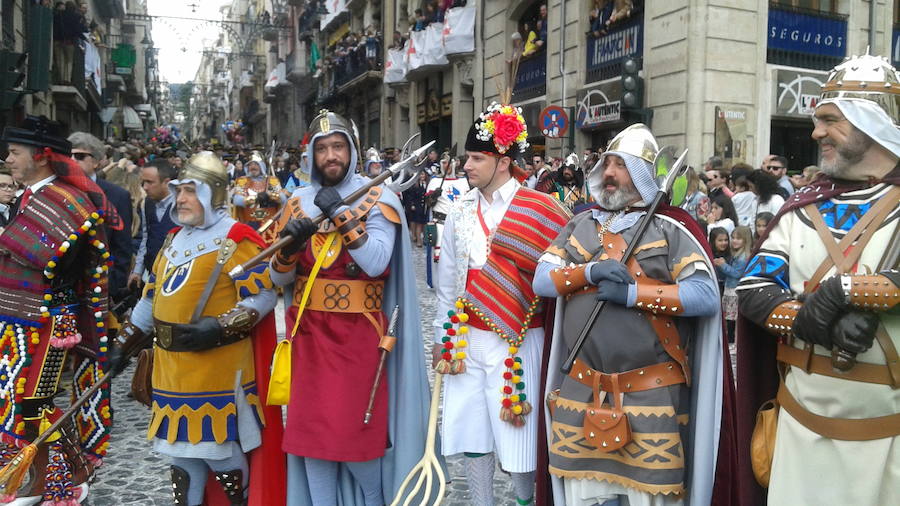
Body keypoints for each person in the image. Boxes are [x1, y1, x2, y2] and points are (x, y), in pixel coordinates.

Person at [534, 123, 734, 506]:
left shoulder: (671, 231)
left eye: (621, 166)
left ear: (643, 175)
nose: (608, 173)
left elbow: (705, 295)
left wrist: (632, 294)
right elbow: (543, 280)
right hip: (581, 388)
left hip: (652, 395)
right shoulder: (581, 225)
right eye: (606, 164)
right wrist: (588, 271)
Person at [736, 53, 900, 506]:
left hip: (891, 449)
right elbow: (753, 290)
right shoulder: (804, 208)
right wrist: (817, 320)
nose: (816, 133)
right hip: (800, 439)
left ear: (872, 122)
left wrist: (847, 290)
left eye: (831, 120)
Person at [269, 110, 432, 505]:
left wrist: (341, 214)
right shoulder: (297, 202)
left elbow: (377, 262)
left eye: (337, 146)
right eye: (322, 148)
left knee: (357, 440)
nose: (330, 155)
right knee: (312, 442)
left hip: (360, 339)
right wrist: (289, 246)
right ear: (311, 156)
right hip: (308, 336)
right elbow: (277, 280)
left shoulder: (378, 197)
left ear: (352, 151)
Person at [110, 152, 285, 506]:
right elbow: (151, 297)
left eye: (191, 190)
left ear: (212, 194)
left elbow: (265, 294)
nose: (182, 199)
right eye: (179, 190)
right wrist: (122, 345)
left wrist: (219, 328)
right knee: (180, 457)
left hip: (216, 369)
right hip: (171, 370)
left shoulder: (238, 238)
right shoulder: (174, 239)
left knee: (217, 452)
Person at [433, 101, 571, 506]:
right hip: (466, 338)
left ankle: (526, 501)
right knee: (475, 432)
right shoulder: (458, 213)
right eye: (467, 158)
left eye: (477, 158)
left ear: (504, 161)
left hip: (520, 338)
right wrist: (444, 338)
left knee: (519, 439)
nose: (467, 166)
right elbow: (447, 285)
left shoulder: (539, 209)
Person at [0, 115, 124, 503]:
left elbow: (39, 255)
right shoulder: (29, 195)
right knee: (13, 400)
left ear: (41, 157)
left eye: (15, 152)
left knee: (33, 402)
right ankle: (31, 477)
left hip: (48, 323)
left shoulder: (64, 201)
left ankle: (51, 480)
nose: (7, 159)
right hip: (18, 320)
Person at [68, 132, 134, 303]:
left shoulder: (117, 196)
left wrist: (112, 284)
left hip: (100, 287)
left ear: (96, 161)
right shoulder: (55, 190)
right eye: (69, 155)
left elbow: (123, 246)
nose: (72, 160)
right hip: (61, 286)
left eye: (80, 156)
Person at [128, 159, 177, 289]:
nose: (145, 187)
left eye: (150, 182)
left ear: (166, 182)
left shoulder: (182, 206)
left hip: (174, 277)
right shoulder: (147, 203)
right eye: (143, 182)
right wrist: (138, 270)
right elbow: (146, 237)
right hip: (151, 276)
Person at [424, 155, 470, 283]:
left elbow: (467, 201)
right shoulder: (435, 181)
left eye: (449, 163)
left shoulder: (462, 181)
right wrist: (433, 196)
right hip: (440, 223)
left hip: (459, 223)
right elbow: (427, 204)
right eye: (444, 163)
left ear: (455, 164)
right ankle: (438, 282)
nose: (447, 166)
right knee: (438, 257)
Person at [232, 152, 287, 245]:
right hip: (250, 224)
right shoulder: (243, 181)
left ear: (262, 166)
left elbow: (283, 198)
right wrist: (255, 198)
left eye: (256, 164)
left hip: (270, 224)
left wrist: (270, 195)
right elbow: (236, 200)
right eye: (250, 164)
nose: (253, 167)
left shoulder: (272, 180)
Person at [716, 225, 751, 344]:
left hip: (734, 292)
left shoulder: (742, 258)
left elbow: (737, 274)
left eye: (738, 238)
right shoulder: (736, 255)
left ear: (745, 240)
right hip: (730, 289)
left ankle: (732, 343)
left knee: (732, 320)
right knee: (730, 319)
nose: (734, 241)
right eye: (733, 238)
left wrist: (723, 265)